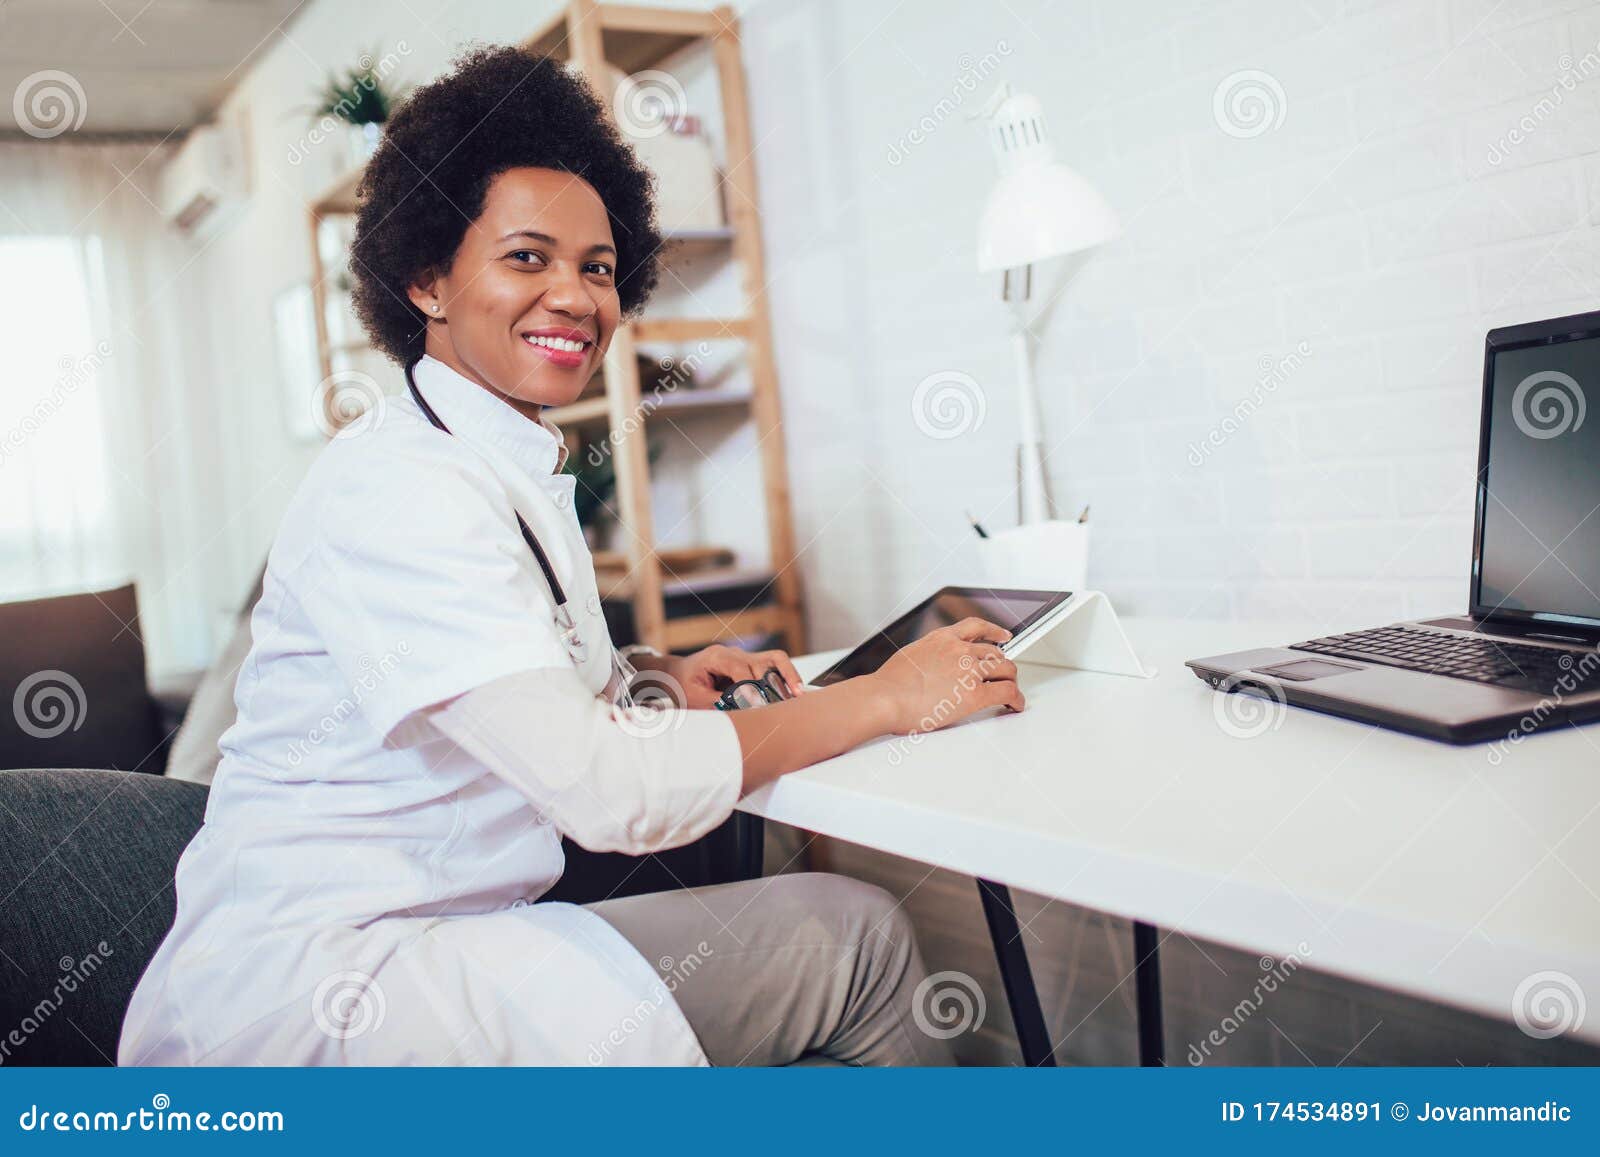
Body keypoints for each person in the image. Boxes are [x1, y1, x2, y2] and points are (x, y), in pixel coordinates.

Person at [119, 46, 1023, 1067]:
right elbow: (607, 793)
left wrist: (650, 679)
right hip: (328, 1003)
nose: (576, 297)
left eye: (597, 267)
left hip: (419, 940)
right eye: (526, 258)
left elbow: (499, 689)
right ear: (426, 278)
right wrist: (886, 698)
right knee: (856, 938)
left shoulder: (483, 455)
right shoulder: (403, 489)